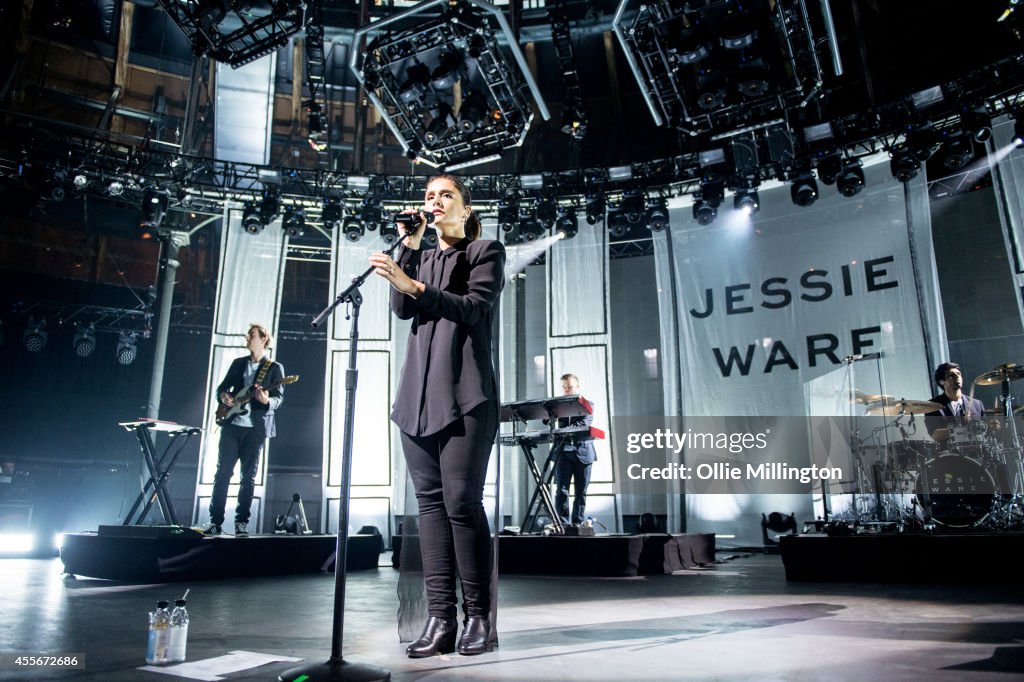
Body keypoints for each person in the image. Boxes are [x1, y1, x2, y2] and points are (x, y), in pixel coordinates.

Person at [369, 174, 505, 658]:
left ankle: (478, 618)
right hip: (417, 400)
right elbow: (402, 309)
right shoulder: (419, 255)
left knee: (462, 504)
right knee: (428, 508)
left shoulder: (484, 252)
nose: (435, 201)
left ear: (465, 210)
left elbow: (472, 307)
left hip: (466, 396)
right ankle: (440, 619)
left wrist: (415, 283)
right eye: (429, 196)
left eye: (446, 195)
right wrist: (409, 251)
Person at [204, 323, 285, 537]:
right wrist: (224, 397)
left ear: (264, 339)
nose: (247, 337)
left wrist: (266, 400)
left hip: (254, 430)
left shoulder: (274, 368)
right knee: (222, 474)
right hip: (231, 427)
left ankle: (241, 522)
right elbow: (222, 388)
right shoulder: (238, 364)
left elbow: (279, 399)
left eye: (251, 334)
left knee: (248, 477)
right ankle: (215, 522)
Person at [552, 373, 597, 527]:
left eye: (569, 387)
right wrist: (549, 413)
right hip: (563, 453)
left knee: (581, 492)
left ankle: (577, 523)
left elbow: (583, 424)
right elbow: (546, 419)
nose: (566, 390)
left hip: (583, 453)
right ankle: (562, 524)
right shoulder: (558, 405)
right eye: (564, 387)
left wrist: (563, 430)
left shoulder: (588, 404)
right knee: (562, 490)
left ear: (577, 387)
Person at [924, 361, 986, 443]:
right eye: (951, 375)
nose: (957, 377)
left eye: (958, 374)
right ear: (942, 381)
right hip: (950, 454)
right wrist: (959, 427)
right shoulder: (932, 406)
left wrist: (992, 427)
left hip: (977, 452)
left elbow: (984, 431)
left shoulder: (977, 404)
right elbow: (935, 435)